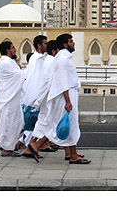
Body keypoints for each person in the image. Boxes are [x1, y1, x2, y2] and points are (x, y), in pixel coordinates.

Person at [40, 34, 89, 164]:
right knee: (63, 125)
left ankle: (73, 154)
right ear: (65, 44)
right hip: (66, 97)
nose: (74, 43)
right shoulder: (62, 60)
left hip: (70, 95)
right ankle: (37, 144)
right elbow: (63, 82)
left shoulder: (65, 58)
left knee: (70, 125)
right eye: (71, 41)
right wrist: (68, 101)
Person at [0, 41, 25, 157]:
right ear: (7, 50)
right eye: (12, 48)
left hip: (12, 96)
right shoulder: (6, 62)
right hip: (9, 97)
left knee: (17, 121)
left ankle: (3, 140)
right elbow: (19, 76)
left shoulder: (7, 62)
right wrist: (22, 71)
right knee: (9, 122)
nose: (15, 49)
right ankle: (6, 147)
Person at [28, 40, 59, 157]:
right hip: (48, 97)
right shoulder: (50, 62)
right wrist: (39, 100)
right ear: (54, 51)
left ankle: (32, 145)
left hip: (46, 97)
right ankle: (35, 144)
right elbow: (46, 81)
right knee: (48, 121)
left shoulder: (48, 61)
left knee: (43, 121)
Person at [21, 35, 47, 155]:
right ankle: (31, 146)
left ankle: (32, 146)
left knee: (36, 125)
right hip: (36, 97)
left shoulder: (34, 58)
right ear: (39, 45)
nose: (46, 46)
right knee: (40, 124)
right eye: (44, 43)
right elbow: (40, 79)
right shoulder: (40, 59)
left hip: (31, 97)